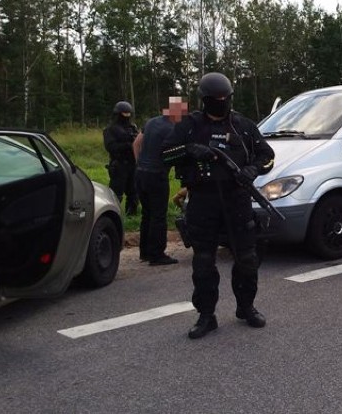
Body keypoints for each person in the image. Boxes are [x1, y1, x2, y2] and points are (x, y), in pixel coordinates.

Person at [161, 72, 275, 340]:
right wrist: (189, 149)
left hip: (237, 199)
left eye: (226, 98)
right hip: (203, 201)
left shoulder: (243, 126)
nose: (222, 102)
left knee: (247, 258)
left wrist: (252, 170)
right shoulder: (189, 126)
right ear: (205, 100)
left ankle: (246, 307)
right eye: (217, 99)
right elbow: (164, 155)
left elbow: (267, 155)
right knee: (203, 262)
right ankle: (206, 315)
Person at [132, 96, 189, 266]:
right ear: (177, 112)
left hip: (140, 174)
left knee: (146, 214)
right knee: (158, 215)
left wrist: (140, 164)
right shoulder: (173, 129)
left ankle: (145, 252)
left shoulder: (151, 122)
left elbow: (136, 143)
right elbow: (179, 155)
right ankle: (157, 255)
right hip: (157, 175)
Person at [103, 101, 139, 216]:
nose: (126, 117)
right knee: (116, 193)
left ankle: (131, 215)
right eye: (124, 114)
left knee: (133, 192)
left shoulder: (133, 127)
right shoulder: (110, 129)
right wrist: (128, 145)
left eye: (128, 114)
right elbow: (111, 147)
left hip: (132, 164)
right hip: (119, 164)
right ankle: (113, 214)